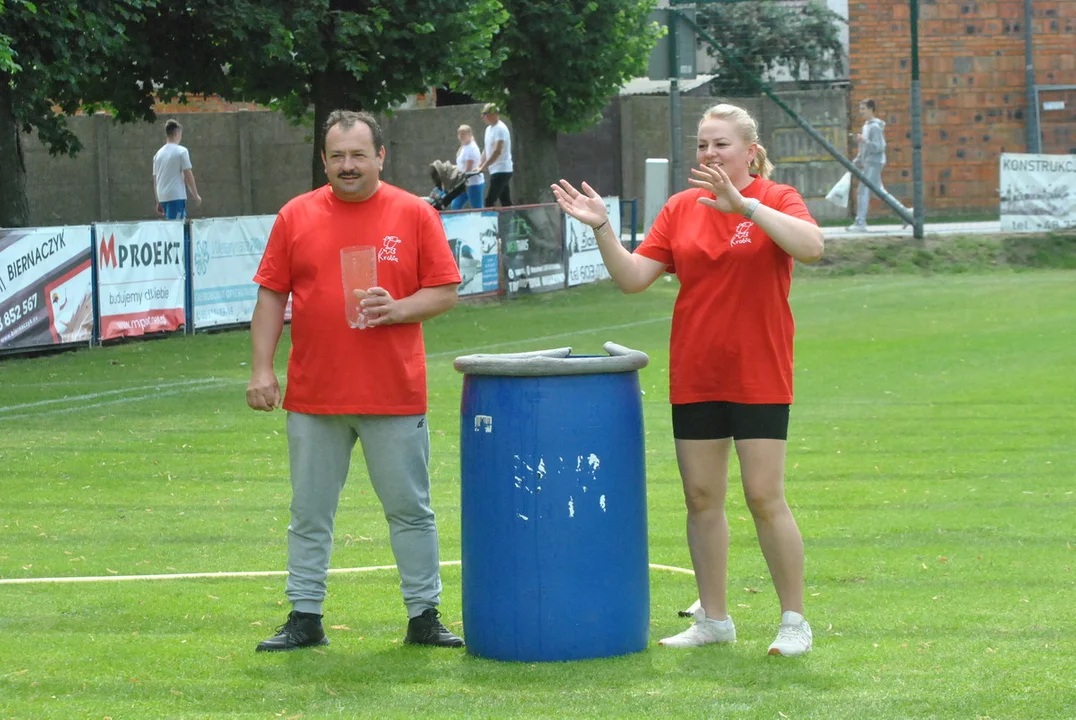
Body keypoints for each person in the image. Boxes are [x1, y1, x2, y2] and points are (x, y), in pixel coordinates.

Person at [551, 103, 824, 657]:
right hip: (696, 372)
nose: (709, 154)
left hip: (759, 372)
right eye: (702, 144)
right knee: (701, 498)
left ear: (750, 151)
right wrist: (603, 226)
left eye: (720, 144)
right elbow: (632, 279)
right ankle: (714, 619)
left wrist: (744, 205)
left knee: (763, 496)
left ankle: (794, 621)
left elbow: (812, 248)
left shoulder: (775, 198)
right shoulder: (680, 208)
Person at [246, 109, 464, 652]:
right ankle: (304, 616)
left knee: (410, 511)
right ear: (323, 159)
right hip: (315, 395)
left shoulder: (413, 213)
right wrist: (261, 368)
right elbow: (271, 295)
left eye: (358, 155)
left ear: (380, 157)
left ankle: (423, 615)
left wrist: (399, 308)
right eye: (337, 156)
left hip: (393, 392)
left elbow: (444, 291)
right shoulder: (295, 216)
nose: (348, 165)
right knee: (309, 513)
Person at [848, 99, 887, 232]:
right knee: (880, 192)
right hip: (869, 162)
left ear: (871, 109)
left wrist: (864, 140)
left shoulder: (875, 127)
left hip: (874, 162)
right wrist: (857, 160)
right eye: (860, 109)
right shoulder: (866, 126)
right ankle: (906, 214)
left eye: (863, 109)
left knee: (863, 190)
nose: (861, 111)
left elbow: (879, 147)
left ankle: (860, 223)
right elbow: (865, 147)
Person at [152, 119, 202, 219]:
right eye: (180, 135)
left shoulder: (158, 154)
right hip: (176, 196)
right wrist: (195, 195)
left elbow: (156, 180)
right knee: (177, 227)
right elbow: (188, 174)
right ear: (176, 134)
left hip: (162, 197)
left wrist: (158, 201)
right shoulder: (181, 151)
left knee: (173, 227)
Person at [477, 103, 513, 207]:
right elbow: (487, 149)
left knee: (489, 201)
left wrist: (484, 166)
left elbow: (497, 151)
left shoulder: (500, 129)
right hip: (495, 170)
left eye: (485, 114)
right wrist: (480, 164)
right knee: (506, 202)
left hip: (502, 170)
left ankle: (490, 222)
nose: (483, 117)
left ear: (493, 114)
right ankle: (513, 222)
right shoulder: (489, 129)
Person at [450, 125, 485, 210]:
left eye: (463, 134)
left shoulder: (471, 148)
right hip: (464, 183)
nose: (460, 136)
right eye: (459, 134)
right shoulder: (464, 147)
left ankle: (484, 221)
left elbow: (468, 168)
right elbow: (461, 165)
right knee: (455, 206)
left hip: (474, 184)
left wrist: (456, 177)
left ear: (469, 134)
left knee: (477, 207)